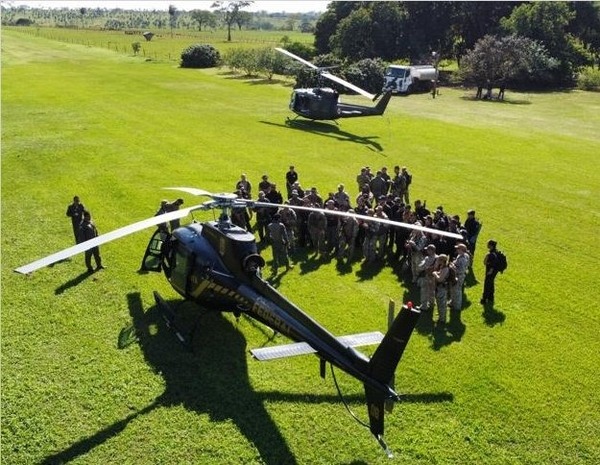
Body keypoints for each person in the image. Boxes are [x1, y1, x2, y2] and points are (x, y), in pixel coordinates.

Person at [450, 243, 470, 312]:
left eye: (458, 248)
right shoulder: (460, 255)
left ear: (461, 250)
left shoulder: (463, 259)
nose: (456, 250)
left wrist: (453, 267)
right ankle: (452, 302)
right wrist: (454, 263)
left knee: (457, 291)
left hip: (459, 276)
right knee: (453, 289)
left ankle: (457, 306)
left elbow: (461, 270)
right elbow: (456, 262)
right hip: (456, 275)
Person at [432, 254, 450, 324]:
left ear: (442, 261)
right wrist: (437, 272)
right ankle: (441, 315)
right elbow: (440, 273)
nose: (437, 261)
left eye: (439, 259)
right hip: (439, 288)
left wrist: (435, 274)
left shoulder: (445, 269)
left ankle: (442, 319)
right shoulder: (442, 267)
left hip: (442, 288)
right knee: (439, 303)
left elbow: (440, 279)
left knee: (442, 304)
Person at [481, 239, 499, 305]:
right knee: (491, 283)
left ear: (491, 246)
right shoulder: (496, 252)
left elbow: (489, 263)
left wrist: (490, 271)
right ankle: (491, 297)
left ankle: (484, 299)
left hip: (490, 271)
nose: (487, 245)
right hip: (494, 271)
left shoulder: (491, 254)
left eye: (488, 244)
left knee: (487, 284)